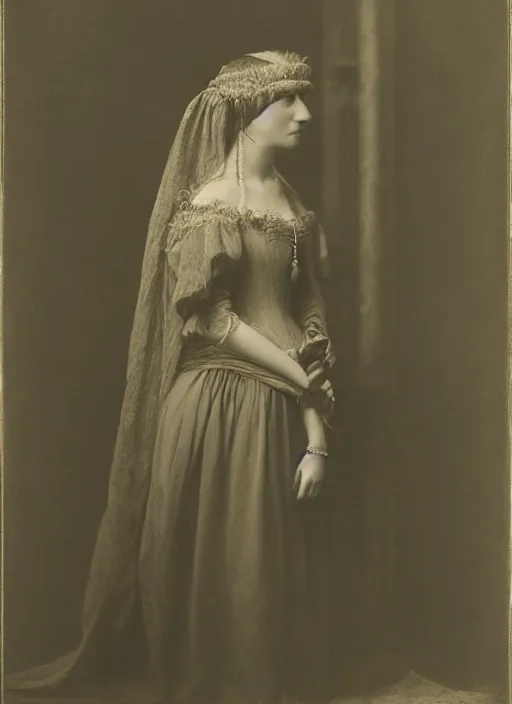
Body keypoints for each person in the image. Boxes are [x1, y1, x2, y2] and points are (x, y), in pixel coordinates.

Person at [7, 50, 336, 704]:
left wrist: (315, 423)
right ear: (246, 112)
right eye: (287, 101)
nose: (305, 113)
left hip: (283, 402)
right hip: (220, 407)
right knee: (233, 570)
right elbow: (213, 321)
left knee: (272, 576)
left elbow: (309, 310)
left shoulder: (294, 205)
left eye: (304, 98)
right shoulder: (209, 204)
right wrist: (298, 382)